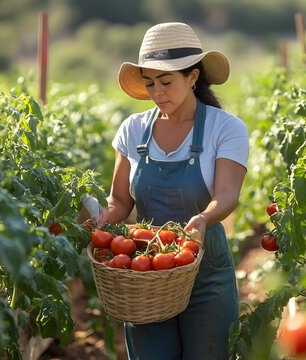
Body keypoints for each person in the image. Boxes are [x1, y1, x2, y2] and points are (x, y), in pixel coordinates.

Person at [85, 22, 249, 359]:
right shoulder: (133, 130)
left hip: (205, 273)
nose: (157, 92)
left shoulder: (225, 128)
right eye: (149, 83)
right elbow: (119, 201)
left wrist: (203, 219)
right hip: (144, 271)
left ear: (192, 77)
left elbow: (228, 193)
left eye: (166, 81)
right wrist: (101, 222)